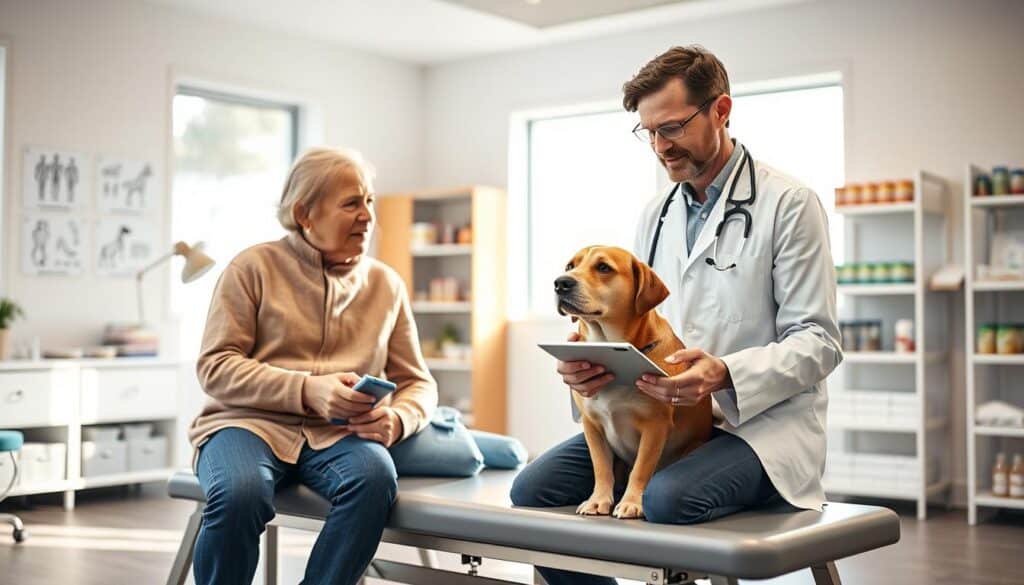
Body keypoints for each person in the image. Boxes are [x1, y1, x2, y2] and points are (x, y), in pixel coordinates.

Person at [511, 45, 842, 585]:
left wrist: (726, 373)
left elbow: (819, 341)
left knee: (668, 498)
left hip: (755, 427)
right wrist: (587, 368)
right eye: (650, 133)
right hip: (655, 419)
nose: (661, 147)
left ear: (720, 110)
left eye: (673, 128)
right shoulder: (656, 215)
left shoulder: (790, 204)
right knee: (533, 493)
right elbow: (636, 323)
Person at [188, 147, 438, 585]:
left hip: (339, 435)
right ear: (305, 213)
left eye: (369, 201)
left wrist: (397, 419)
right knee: (240, 494)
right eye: (351, 203)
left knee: (374, 477)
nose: (367, 216)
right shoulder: (252, 267)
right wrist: (308, 389)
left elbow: (418, 383)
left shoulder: (386, 284)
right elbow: (216, 366)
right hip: (247, 424)